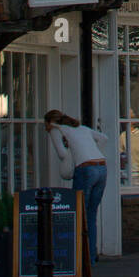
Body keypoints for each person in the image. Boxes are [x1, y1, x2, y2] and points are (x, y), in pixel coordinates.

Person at [45, 111, 108, 266]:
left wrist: (72, 152)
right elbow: (103, 138)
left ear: (49, 122)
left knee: (79, 213)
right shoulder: (82, 128)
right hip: (101, 166)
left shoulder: (55, 129)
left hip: (85, 168)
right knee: (91, 214)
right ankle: (91, 257)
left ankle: (79, 257)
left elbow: (61, 154)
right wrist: (92, 152)